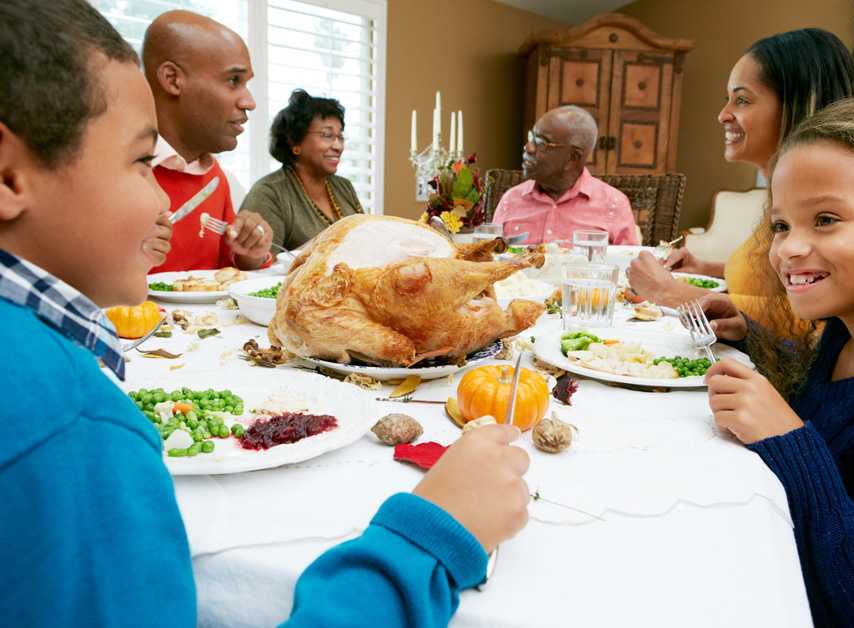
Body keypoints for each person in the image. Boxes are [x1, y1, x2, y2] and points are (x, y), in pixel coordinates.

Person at [0, 2, 531, 625]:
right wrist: (429, 542)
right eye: (143, 162)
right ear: (9, 178)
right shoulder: (71, 430)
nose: (159, 200)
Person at [700, 98, 854, 626]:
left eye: (825, 220)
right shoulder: (844, 336)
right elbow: (829, 404)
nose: (789, 249)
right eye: (781, 224)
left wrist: (793, 444)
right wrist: (754, 338)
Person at [629, 28, 854, 325]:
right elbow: (780, 282)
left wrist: (668, 292)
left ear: (796, 104)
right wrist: (707, 269)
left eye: (742, 100)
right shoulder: (783, 199)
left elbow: (815, 323)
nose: (723, 115)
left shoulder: (829, 202)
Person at [142, 10, 274, 272]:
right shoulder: (113, 171)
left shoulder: (215, 178)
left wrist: (250, 254)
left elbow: (224, 275)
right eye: (233, 80)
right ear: (172, 79)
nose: (249, 102)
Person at [492, 105, 639, 246]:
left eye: (541, 142)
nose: (528, 147)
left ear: (572, 157)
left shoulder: (613, 204)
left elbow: (629, 266)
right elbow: (491, 260)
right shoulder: (511, 200)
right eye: (531, 138)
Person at [241, 89, 363, 251]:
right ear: (294, 142)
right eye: (327, 135)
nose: (338, 146)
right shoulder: (268, 193)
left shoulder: (344, 187)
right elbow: (262, 263)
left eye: (340, 137)